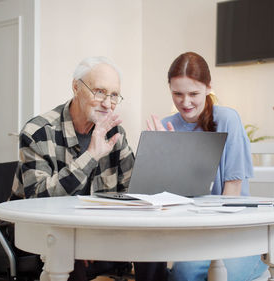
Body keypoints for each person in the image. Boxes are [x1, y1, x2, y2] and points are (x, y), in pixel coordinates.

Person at [11, 56, 166, 281]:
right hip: (42, 236)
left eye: (114, 95)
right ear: (76, 87)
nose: (107, 103)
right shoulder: (38, 132)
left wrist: (156, 158)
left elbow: (136, 192)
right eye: (99, 91)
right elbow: (38, 199)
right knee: (68, 256)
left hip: (97, 235)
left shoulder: (115, 133)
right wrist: (91, 155)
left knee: (153, 247)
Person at [147, 52, 268, 281]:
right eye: (177, 94)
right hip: (191, 237)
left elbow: (232, 191)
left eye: (193, 93)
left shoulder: (227, 120)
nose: (185, 102)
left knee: (223, 273)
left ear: (208, 88)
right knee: (185, 272)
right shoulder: (165, 127)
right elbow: (161, 200)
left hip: (233, 234)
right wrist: (160, 155)